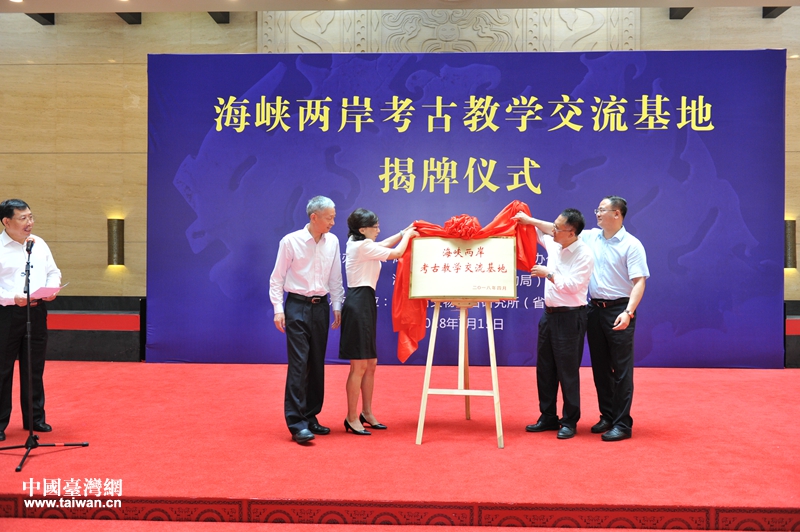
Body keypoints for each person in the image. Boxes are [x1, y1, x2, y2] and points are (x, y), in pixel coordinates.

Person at [269, 196, 345, 445]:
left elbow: (335, 277)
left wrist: (337, 305)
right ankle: (296, 423)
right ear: (314, 217)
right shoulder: (290, 241)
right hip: (297, 306)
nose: (333, 222)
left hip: (321, 307)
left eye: (334, 217)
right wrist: (278, 309)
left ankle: (311, 416)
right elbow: (277, 278)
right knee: (299, 364)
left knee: (316, 362)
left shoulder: (333, 241)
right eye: (329, 218)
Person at [513, 208, 594, 439]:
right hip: (549, 316)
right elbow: (541, 230)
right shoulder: (555, 242)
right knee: (545, 369)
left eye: (558, 228)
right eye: (554, 225)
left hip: (571, 317)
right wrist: (527, 220)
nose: (553, 230)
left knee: (567, 371)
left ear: (572, 233)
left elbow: (573, 286)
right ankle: (547, 416)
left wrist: (549, 274)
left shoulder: (584, 254)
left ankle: (569, 421)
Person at [339, 209, 417, 435]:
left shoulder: (361, 243)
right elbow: (396, 253)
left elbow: (383, 244)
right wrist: (408, 236)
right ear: (363, 229)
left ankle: (367, 412)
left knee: (371, 363)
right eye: (375, 227)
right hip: (358, 304)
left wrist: (402, 232)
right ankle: (351, 416)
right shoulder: (361, 246)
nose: (378, 230)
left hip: (365, 302)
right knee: (359, 365)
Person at [581, 196, 649, 442]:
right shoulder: (590, 237)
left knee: (621, 369)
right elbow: (561, 229)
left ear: (617, 214)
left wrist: (628, 312)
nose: (597, 213)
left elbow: (639, 281)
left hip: (619, 310)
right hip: (594, 309)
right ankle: (607, 416)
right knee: (600, 367)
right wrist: (528, 220)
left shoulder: (632, 245)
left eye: (602, 210)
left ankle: (622, 423)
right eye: (597, 209)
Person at [0, 199, 61, 442]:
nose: (30, 222)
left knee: (33, 367)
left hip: (36, 311)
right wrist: (11, 298)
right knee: (3, 369)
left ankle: (34, 419)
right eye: (23, 218)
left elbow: (53, 271)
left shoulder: (38, 243)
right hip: (6, 314)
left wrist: (52, 288)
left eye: (31, 217)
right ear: (7, 222)